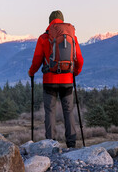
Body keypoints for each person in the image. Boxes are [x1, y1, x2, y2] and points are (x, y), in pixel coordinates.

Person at [28, 10, 84, 148]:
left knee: (50, 111)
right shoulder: (72, 37)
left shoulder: (44, 38)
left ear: (50, 22)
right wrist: (75, 72)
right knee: (68, 111)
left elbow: (37, 60)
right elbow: (80, 60)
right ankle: (71, 143)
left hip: (50, 81)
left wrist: (31, 72)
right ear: (62, 21)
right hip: (67, 80)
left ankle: (51, 143)